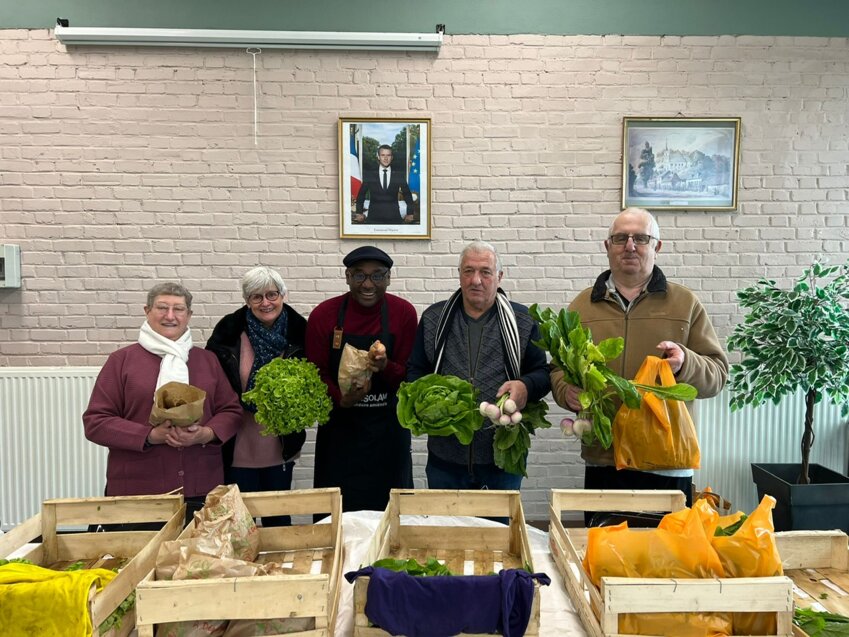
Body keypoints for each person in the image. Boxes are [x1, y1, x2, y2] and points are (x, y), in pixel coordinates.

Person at [550, 208, 729, 523]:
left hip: (666, 460)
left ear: (657, 247)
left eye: (641, 238)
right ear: (608, 246)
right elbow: (558, 369)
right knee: (604, 545)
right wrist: (566, 391)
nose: (630, 246)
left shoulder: (685, 304)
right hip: (605, 457)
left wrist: (685, 364)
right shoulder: (581, 306)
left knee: (667, 547)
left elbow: (717, 374)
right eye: (621, 238)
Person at [83, 282, 242, 525]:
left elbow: (231, 411)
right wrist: (149, 436)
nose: (170, 316)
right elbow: (96, 422)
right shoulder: (121, 361)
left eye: (178, 309)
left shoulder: (207, 361)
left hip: (200, 488)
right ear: (147, 311)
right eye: (162, 308)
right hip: (137, 490)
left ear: (189, 315)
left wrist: (205, 434)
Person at [407, 241, 551, 490]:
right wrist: (427, 402)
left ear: (499, 277)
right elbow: (415, 371)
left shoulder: (523, 320)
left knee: (501, 518)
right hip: (445, 458)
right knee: (445, 516)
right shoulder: (433, 319)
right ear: (459, 274)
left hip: (502, 457)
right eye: (468, 271)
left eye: (485, 272)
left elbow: (542, 373)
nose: (476, 280)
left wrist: (525, 386)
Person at [306, 246, 418, 512]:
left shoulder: (403, 313)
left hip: (388, 435)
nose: (368, 284)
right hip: (340, 436)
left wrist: (385, 366)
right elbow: (316, 374)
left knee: (391, 517)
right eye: (359, 275)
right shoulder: (324, 315)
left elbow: (410, 376)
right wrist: (341, 399)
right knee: (336, 516)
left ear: (388, 278)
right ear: (347, 277)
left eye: (377, 275)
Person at [206, 266, 307, 527]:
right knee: (240, 521)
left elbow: (312, 381)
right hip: (239, 440)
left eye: (272, 295)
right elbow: (211, 378)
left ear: (283, 295)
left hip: (280, 442)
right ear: (247, 300)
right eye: (256, 297)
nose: (265, 303)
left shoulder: (300, 331)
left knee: (278, 517)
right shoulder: (228, 330)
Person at [354, 145, 415, 224]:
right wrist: (359, 212)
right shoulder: (370, 174)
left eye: (388, 155)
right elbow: (361, 194)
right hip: (373, 219)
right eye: (383, 155)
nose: (385, 158)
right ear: (378, 157)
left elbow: (407, 194)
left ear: (392, 157)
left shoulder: (398, 174)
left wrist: (410, 213)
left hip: (394, 219)